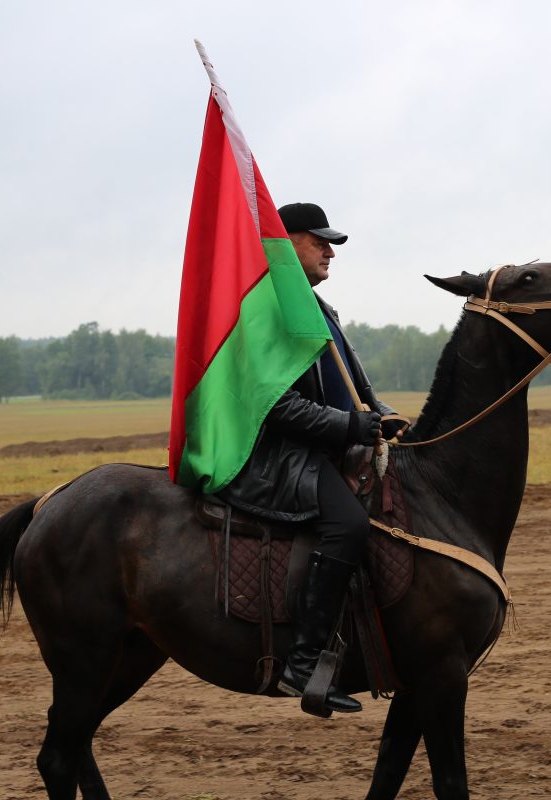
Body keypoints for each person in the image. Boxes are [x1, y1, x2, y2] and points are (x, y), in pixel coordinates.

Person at [218, 202, 403, 715]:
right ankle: (302, 664)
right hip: (279, 456)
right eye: (318, 240)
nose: (329, 251)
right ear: (283, 244)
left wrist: (383, 416)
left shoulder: (321, 311)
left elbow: (357, 392)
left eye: (331, 243)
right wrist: (351, 426)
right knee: (347, 523)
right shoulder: (268, 311)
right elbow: (276, 406)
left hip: (330, 446)